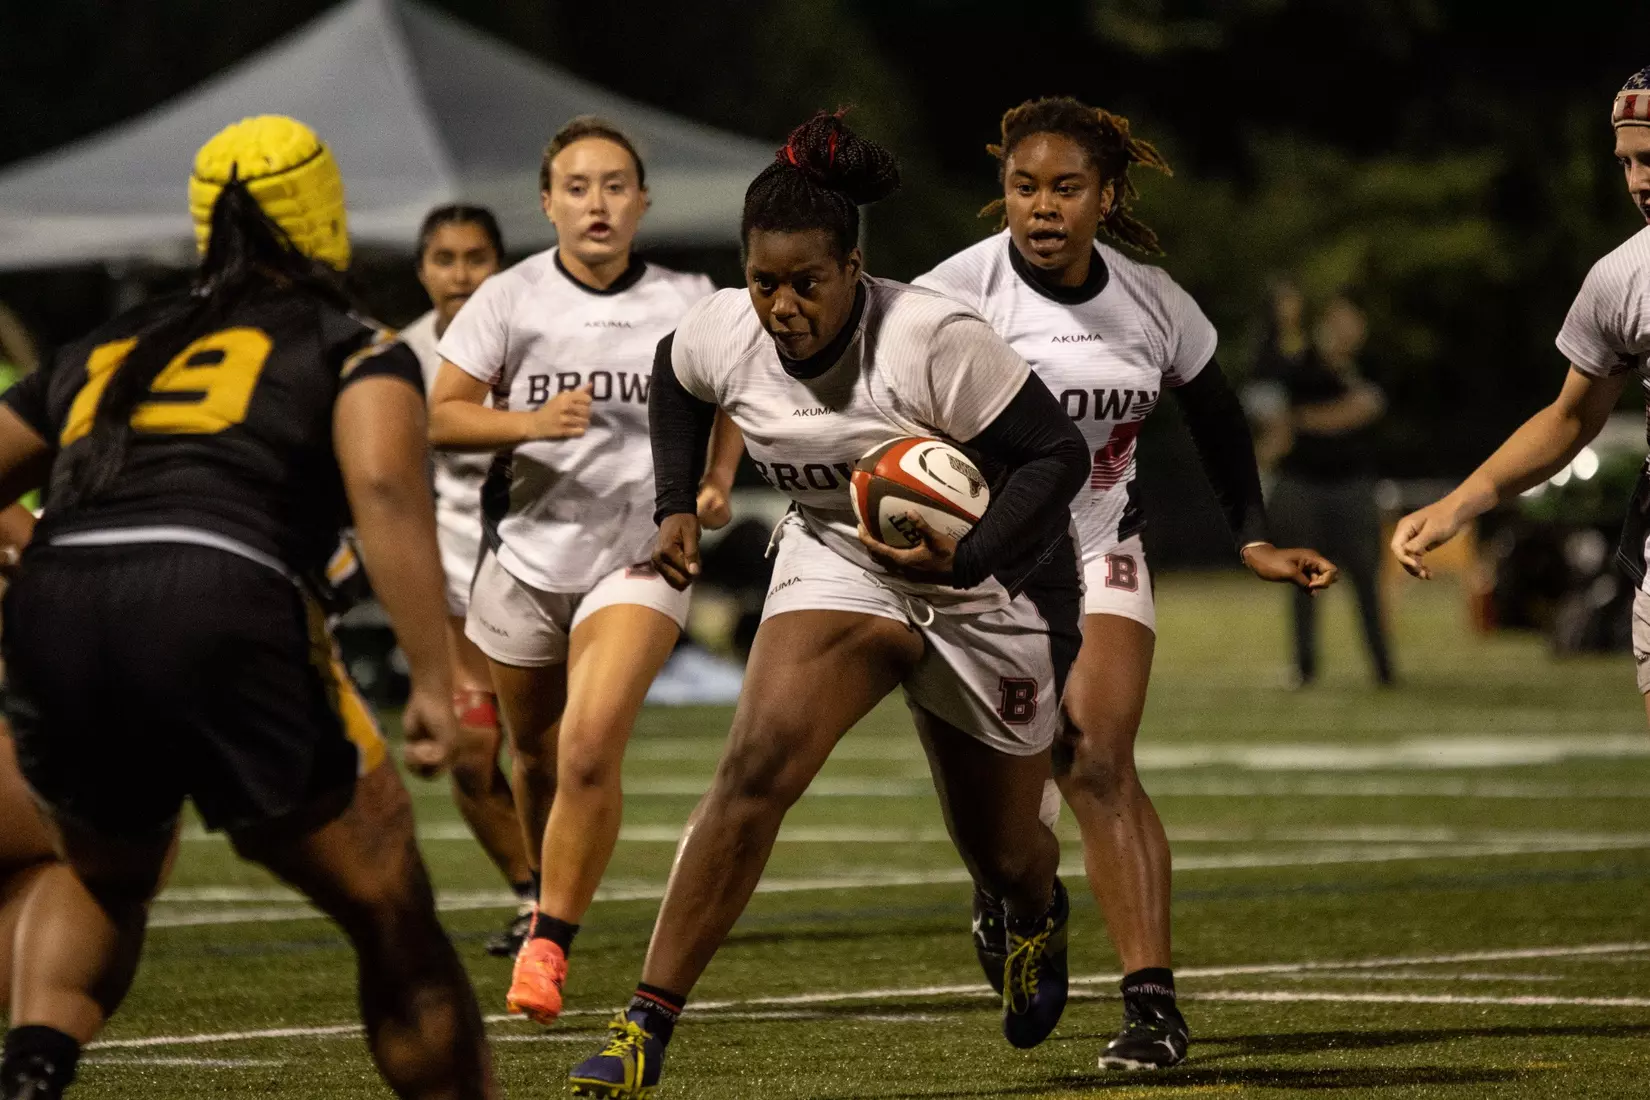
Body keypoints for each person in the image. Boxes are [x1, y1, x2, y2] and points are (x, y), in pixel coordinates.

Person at [567, 109, 1088, 1100]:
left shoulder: (930, 336)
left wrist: (971, 553)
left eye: (807, 281)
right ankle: (645, 1020)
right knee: (753, 767)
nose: (783, 304)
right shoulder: (726, 326)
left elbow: (1055, 455)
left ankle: (1025, 904)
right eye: (766, 281)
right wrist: (677, 503)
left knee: (1007, 844)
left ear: (854, 266)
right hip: (836, 560)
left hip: (982, 588)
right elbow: (677, 383)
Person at [0, 115, 494, 1100]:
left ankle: (32, 1069)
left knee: (103, 871)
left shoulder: (111, 343)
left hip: (59, 601)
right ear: (324, 215)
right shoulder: (356, 344)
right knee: (391, 908)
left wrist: (34, 562)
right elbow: (387, 492)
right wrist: (439, 677)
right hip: (223, 597)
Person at [915, 96, 1338, 1071]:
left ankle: (1153, 1006)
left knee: (1098, 760)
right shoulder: (950, 294)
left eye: (1067, 187)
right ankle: (1020, 900)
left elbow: (1219, 419)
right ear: (1003, 195)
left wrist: (1253, 539)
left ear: (1107, 196)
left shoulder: (1152, 299)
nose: (1043, 206)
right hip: (981, 570)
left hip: (1102, 548)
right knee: (1003, 819)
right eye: (1025, 186)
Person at [428, 117, 739, 1026]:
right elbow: (441, 418)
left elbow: (736, 395)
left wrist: (713, 484)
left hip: (640, 557)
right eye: (577, 186)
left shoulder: (690, 296)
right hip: (525, 556)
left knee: (588, 743)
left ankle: (548, 947)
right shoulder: (509, 297)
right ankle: (540, 894)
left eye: (614, 186)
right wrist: (528, 422)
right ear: (547, 203)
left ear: (642, 201)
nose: (596, 203)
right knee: (533, 755)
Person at [1395, 65, 1650, 709]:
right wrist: (1460, 503)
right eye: (1626, 163)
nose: (1639, 182)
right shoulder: (1623, 279)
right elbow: (1571, 418)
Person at [401, 203, 537, 957]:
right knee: (470, 754)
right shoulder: (399, 357)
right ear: (422, 270)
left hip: (538, 572)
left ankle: (555, 900)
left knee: (541, 751)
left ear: (500, 264)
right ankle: (533, 895)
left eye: (475, 257)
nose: (459, 274)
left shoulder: (534, 337)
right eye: (444, 259)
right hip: (453, 586)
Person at [1256, 292, 1393, 687]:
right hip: (1303, 485)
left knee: (1367, 579)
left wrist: (1305, 419)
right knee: (1303, 579)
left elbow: (1359, 410)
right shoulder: (1302, 365)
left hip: (1352, 484)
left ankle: (1383, 669)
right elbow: (1277, 409)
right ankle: (1305, 669)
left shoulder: (1371, 365)